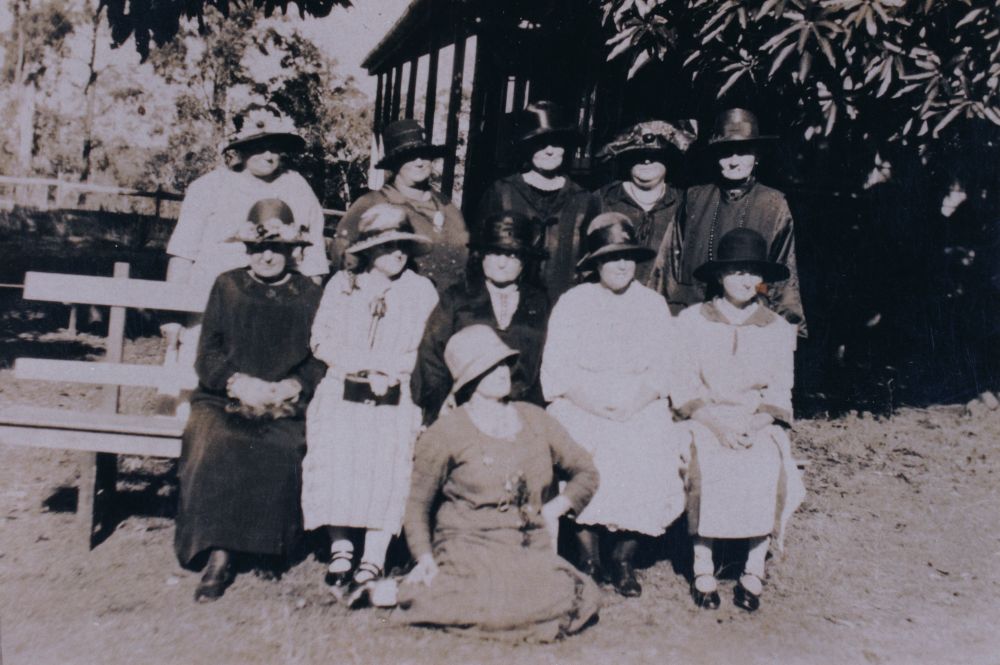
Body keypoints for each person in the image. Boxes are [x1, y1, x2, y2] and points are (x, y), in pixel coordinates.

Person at [395, 325, 600, 642]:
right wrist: (424, 559)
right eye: (489, 367)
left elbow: (585, 471)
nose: (503, 372)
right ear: (470, 379)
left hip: (527, 544)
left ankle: (480, 608)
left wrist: (554, 509)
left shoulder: (535, 418)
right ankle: (425, 590)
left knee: (578, 593)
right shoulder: (447, 431)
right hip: (469, 547)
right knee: (484, 593)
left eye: (504, 363)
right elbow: (417, 504)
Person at [174, 198, 325, 602]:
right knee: (219, 441)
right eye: (259, 248)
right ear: (248, 250)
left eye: (277, 248)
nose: (268, 256)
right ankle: (219, 553)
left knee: (280, 445)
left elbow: (321, 357)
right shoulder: (227, 286)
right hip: (225, 396)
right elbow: (207, 353)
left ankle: (264, 547)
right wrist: (238, 382)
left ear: (293, 251)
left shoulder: (310, 293)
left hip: (284, 399)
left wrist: (292, 385)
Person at [541, 212, 686, 597]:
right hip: (582, 400)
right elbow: (557, 371)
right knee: (583, 444)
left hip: (636, 403)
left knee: (649, 443)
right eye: (610, 257)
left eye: (627, 257)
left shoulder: (653, 306)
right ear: (596, 263)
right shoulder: (574, 302)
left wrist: (631, 404)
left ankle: (623, 557)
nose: (621, 265)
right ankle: (588, 556)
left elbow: (662, 370)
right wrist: (594, 405)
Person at [302, 204, 439, 593]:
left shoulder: (420, 290)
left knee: (387, 466)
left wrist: (389, 370)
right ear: (367, 249)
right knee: (338, 458)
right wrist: (360, 366)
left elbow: (426, 348)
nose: (396, 253)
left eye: (402, 246)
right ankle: (341, 546)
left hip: (396, 388)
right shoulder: (343, 285)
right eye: (386, 246)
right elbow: (321, 339)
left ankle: (374, 555)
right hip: (345, 384)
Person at [672, 228, 806, 612]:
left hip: (754, 420)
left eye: (752, 273)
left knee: (765, 464)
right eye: (736, 272)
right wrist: (717, 425)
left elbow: (780, 391)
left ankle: (752, 569)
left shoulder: (776, 327)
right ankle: (703, 567)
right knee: (707, 464)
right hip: (705, 416)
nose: (745, 281)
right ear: (719, 276)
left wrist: (753, 426)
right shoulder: (692, 321)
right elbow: (683, 384)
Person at [657, 108, 806, 334]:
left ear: (757, 157)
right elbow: (668, 267)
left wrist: (786, 332)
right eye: (726, 152)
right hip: (693, 319)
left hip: (749, 323)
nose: (734, 161)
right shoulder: (695, 198)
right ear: (716, 156)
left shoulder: (773, 203)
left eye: (743, 151)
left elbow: (784, 281)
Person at [412, 211, 551, 425]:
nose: (502, 263)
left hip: (522, 414)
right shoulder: (456, 298)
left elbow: (547, 363)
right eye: (495, 253)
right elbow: (431, 358)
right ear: (482, 255)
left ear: (524, 261)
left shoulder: (539, 303)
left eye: (512, 255)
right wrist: (441, 405)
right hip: (465, 411)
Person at [476, 101, 599, 298]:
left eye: (556, 143)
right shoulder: (502, 193)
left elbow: (592, 264)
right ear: (527, 146)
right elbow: (478, 254)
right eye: (540, 143)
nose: (549, 150)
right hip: (509, 306)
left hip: (565, 307)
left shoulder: (585, 201)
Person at [332, 119, 468, 286]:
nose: (419, 162)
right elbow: (343, 257)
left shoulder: (447, 206)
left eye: (424, 155)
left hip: (452, 307)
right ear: (394, 162)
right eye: (409, 156)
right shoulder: (371, 203)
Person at [593, 120, 696, 287]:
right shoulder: (602, 199)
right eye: (638, 155)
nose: (647, 161)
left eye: (655, 155)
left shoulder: (685, 203)